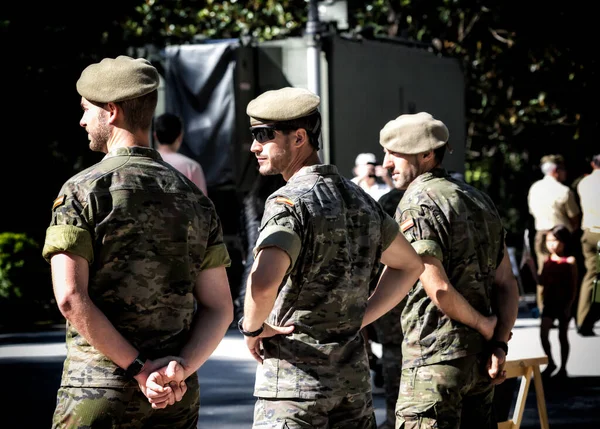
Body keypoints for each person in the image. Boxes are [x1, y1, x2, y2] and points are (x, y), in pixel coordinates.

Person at [42, 55, 233, 428]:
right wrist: (179, 368)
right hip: (173, 398)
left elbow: (69, 297)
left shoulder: (83, 190)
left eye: (86, 109)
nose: (82, 120)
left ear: (111, 112)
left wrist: (139, 369)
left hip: (100, 390)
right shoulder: (195, 198)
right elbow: (219, 308)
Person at [239, 86, 424, 429]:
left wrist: (252, 327)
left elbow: (263, 283)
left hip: (294, 389)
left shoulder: (288, 202)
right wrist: (360, 317)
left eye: (263, 135)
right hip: (352, 388)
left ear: (298, 138)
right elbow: (410, 265)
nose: (254, 146)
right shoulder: (360, 199)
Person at [379, 112, 520, 428]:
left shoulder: (417, 200)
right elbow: (507, 283)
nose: (386, 163)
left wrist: (485, 325)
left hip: (433, 362)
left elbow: (438, 287)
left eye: (396, 153)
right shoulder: (478, 198)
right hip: (479, 365)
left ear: (427, 154)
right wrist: (498, 343)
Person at [235, 173, 286, 321]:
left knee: (252, 273)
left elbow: (243, 225)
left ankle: (245, 315)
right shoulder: (281, 197)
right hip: (274, 239)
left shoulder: (253, 197)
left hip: (255, 239)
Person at [536, 225, 578, 379]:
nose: (552, 244)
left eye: (555, 240)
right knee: (543, 334)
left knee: (562, 336)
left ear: (564, 241)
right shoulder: (547, 261)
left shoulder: (570, 261)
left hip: (564, 303)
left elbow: (574, 287)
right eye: (549, 241)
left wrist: (569, 306)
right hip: (549, 303)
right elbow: (541, 282)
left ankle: (563, 368)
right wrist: (531, 266)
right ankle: (551, 362)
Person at [527, 154, 581, 274]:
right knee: (565, 273)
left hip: (541, 235)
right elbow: (575, 218)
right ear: (556, 171)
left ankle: (542, 293)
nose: (565, 173)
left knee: (544, 273)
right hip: (561, 236)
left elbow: (532, 211)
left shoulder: (534, 188)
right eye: (563, 169)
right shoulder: (564, 191)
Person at [154, 112, 208, 195]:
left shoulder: (146, 161)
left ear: (155, 136)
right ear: (180, 137)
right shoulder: (192, 167)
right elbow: (203, 204)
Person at [575, 153, 600, 336]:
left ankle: (584, 319)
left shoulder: (583, 183)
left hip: (588, 234)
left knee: (591, 278)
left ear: (592, 164)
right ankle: (588, 320)